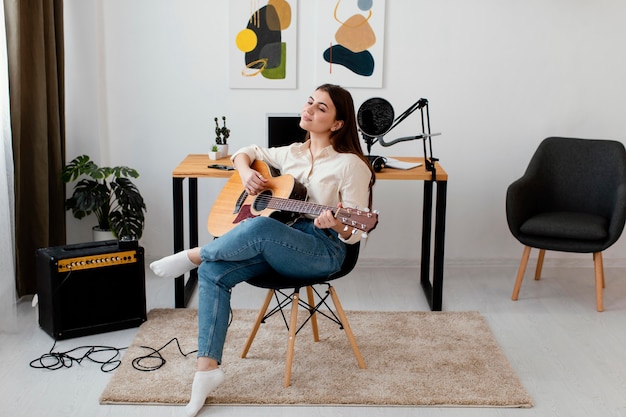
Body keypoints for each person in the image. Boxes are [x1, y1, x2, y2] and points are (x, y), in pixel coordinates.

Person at [150, 83, 376, 417]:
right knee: (214, 272)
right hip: (278, 239)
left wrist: (338, 224)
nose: (309, 109)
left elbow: (355, 234)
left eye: (321, 108)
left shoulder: (350, 165)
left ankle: (195, 254)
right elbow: (247, 151)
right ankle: (206, 371)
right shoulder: (290, 154)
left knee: (257, 227)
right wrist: (244, 174)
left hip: (323, 251)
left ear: (338, 124)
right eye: (309, 102)